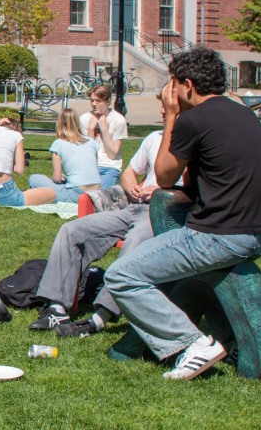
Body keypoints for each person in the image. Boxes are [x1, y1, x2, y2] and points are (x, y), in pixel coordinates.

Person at [105, 47, 261, 381]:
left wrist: (171, 116)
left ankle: (192, 344)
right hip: (258, 234)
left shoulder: (193, 120)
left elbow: (164, 176)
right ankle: (222, 336)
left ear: (188, 85)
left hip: (218, 237)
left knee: (121, 276)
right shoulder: (242, 113)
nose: (170, 93)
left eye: (173, 85)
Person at [29, 94, 182, 337]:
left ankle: (102, 315)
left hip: (165, 212)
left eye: (166, 107)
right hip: (134, 206)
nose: (162, 112)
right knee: (72, 230)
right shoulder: (155, 138)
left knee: (135, 241)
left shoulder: (193, 141)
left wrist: (161, 191)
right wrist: (131, 184)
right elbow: (130, 171)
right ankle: (57, 306)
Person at [0, 118, 56, 206]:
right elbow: (19, 170)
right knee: (52, 193)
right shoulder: (16, 135)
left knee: (28, 192)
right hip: (4, 191)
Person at [27, 108, 100, 203]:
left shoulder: (59, 144)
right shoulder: (91, 141)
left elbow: (56, 178)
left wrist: (60, 178)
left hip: (77, 194)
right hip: (96, 192)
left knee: (34, 178)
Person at [79, 85, 128, 188]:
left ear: (108, 102)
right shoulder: (84, 119)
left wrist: (105, 131)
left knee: (98, 196)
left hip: (109, 167)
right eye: (92, 100)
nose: (94, 104)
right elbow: (86, 153)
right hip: (89, 166)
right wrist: (90, 130)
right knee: (79, 195)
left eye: (98, 101)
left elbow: (112, 154)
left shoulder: (118, 120)